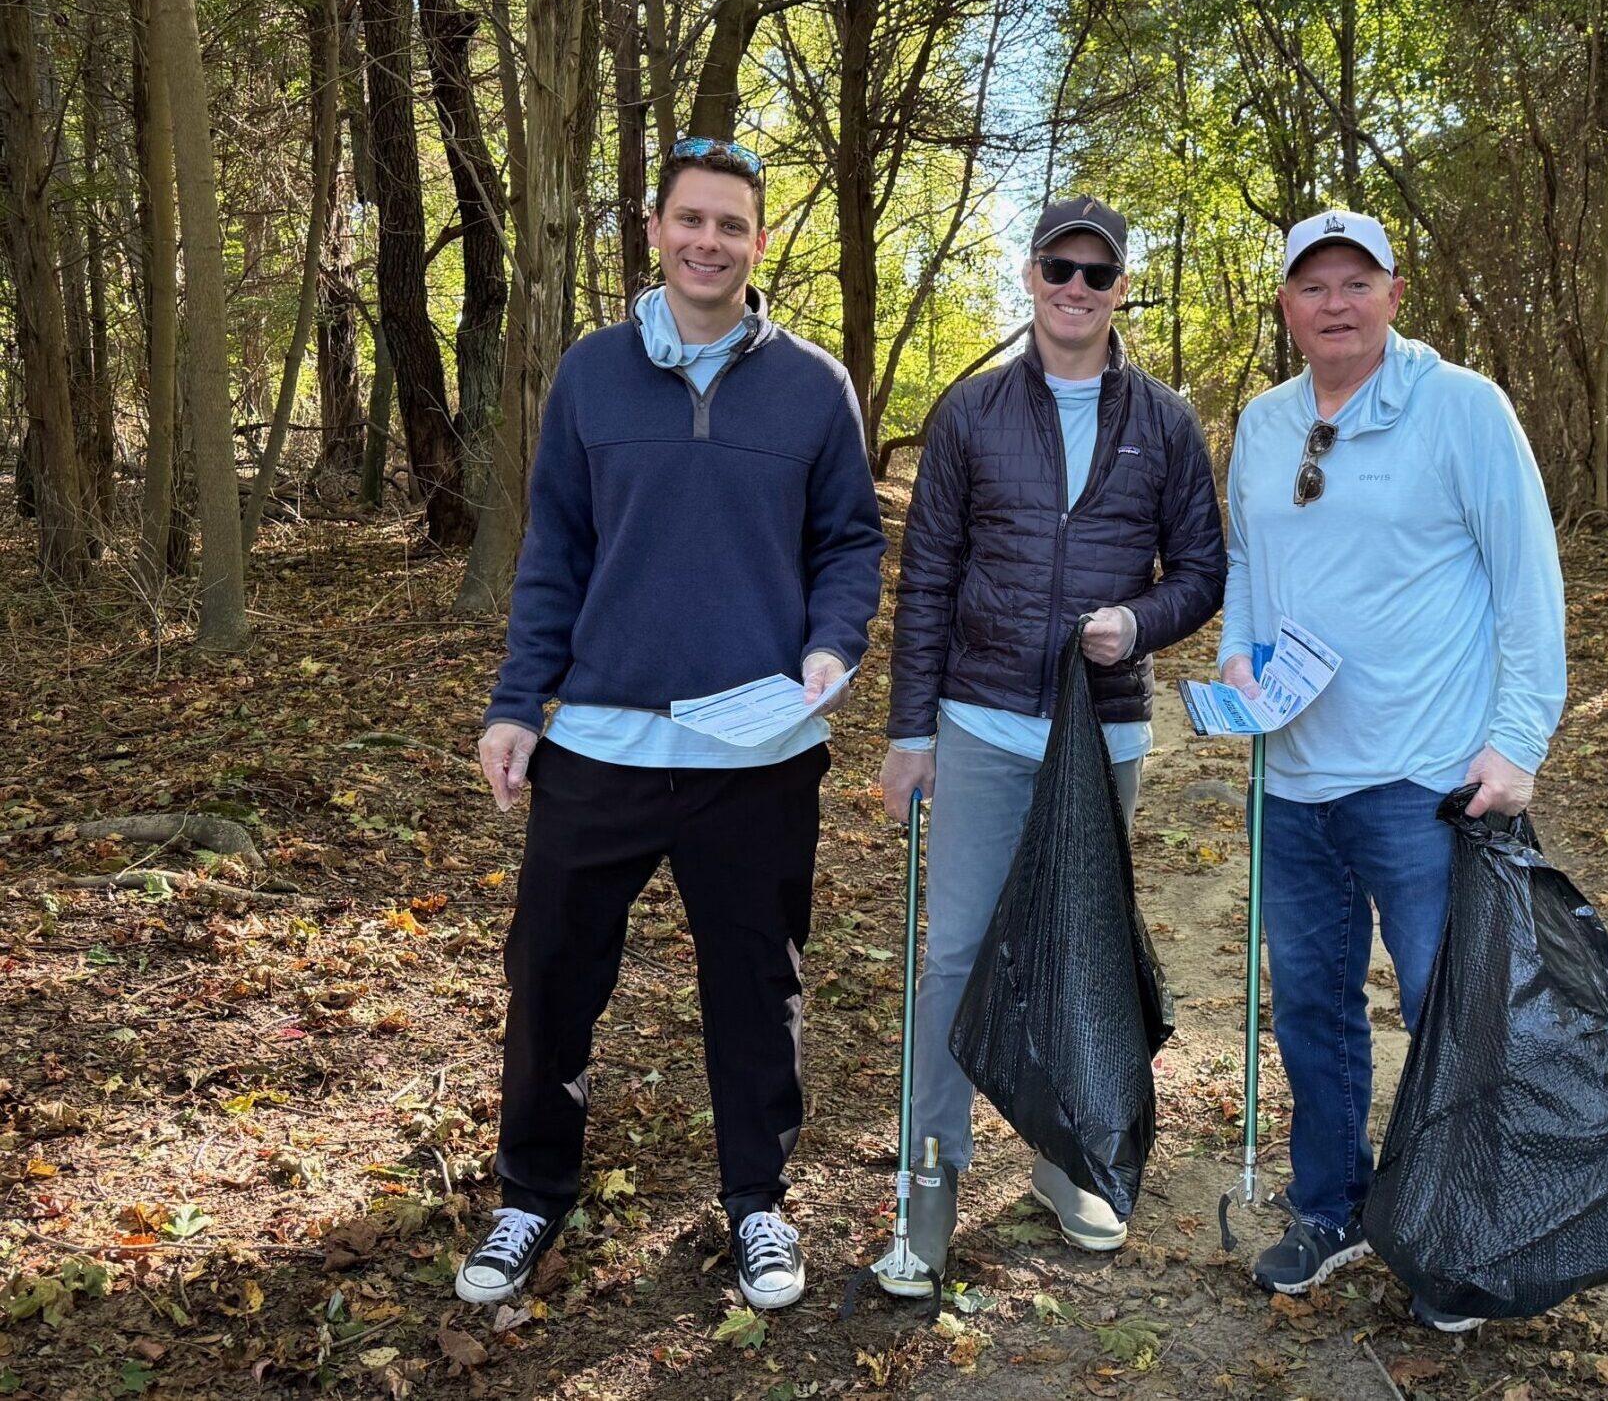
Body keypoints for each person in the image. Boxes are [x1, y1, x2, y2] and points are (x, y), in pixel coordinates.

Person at [462, 139, 885, 1313]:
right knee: (550, 970)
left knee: (757, 984)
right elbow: (554, 551)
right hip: (599, 742)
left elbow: (851, 539)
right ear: (654, 230)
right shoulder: (591, 376)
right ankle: (531, 1190)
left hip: (758, 752)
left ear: (759, 240)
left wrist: (830, 643)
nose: (709, 241)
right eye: (689, 219)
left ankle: (757, 1201)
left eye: (732, 224)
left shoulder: (813, 385)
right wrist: (515, 702)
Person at [1219, 209, 1566, 1331]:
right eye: (1311, 284)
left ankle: (1464, 1230)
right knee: (1311, 1008)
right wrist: (1235, 650)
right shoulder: (1264, 423)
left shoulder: (1462, 408)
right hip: (1294, 778)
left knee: (1450, 1011)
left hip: (1425, 782)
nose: (1334, 301)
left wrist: (1516, 743)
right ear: (1286, 304)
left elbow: (1527, 579)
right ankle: (1333, 1206)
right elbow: (1244, 561)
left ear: (1393, 292)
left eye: (1354, 281)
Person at [874, 196, 1227, 1293]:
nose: (1075, 288)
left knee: (1077, 946)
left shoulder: (1165, 422)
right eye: (1057, 268)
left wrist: (1140, 625)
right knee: (957, 953)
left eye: (1097, 272)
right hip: (980, 721)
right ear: (1029, 276)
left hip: (1105, 728)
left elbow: (1204, 573)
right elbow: (926, 578)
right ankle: (930, 1171)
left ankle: (1062, 1157)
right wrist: (908, 730)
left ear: (1123, 286)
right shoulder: (971, 413)